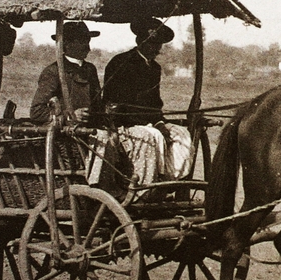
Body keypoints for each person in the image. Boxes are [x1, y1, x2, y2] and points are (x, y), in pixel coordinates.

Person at [101, 18, 193, 184]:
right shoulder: (121, 63)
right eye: (152, 43)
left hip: (151, 122)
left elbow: (155, 103)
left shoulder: (155, 68)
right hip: (125, 123)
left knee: (182, 135)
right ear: (140, 41)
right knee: (156, 136)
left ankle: (172, 180)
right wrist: (152, 124)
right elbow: (116, 103)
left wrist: (158, 121)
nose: (156, 49)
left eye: (159, 44)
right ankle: (151, 182)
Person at [28, 21, 102, 124]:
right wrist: (70, 116)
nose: (88, 48)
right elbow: (37, 112)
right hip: (63, 135)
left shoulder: (90, 69)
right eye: (81, 42)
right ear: (67, 44)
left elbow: (97, 106)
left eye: (88, 41)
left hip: (89, 133)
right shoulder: (53, 71)